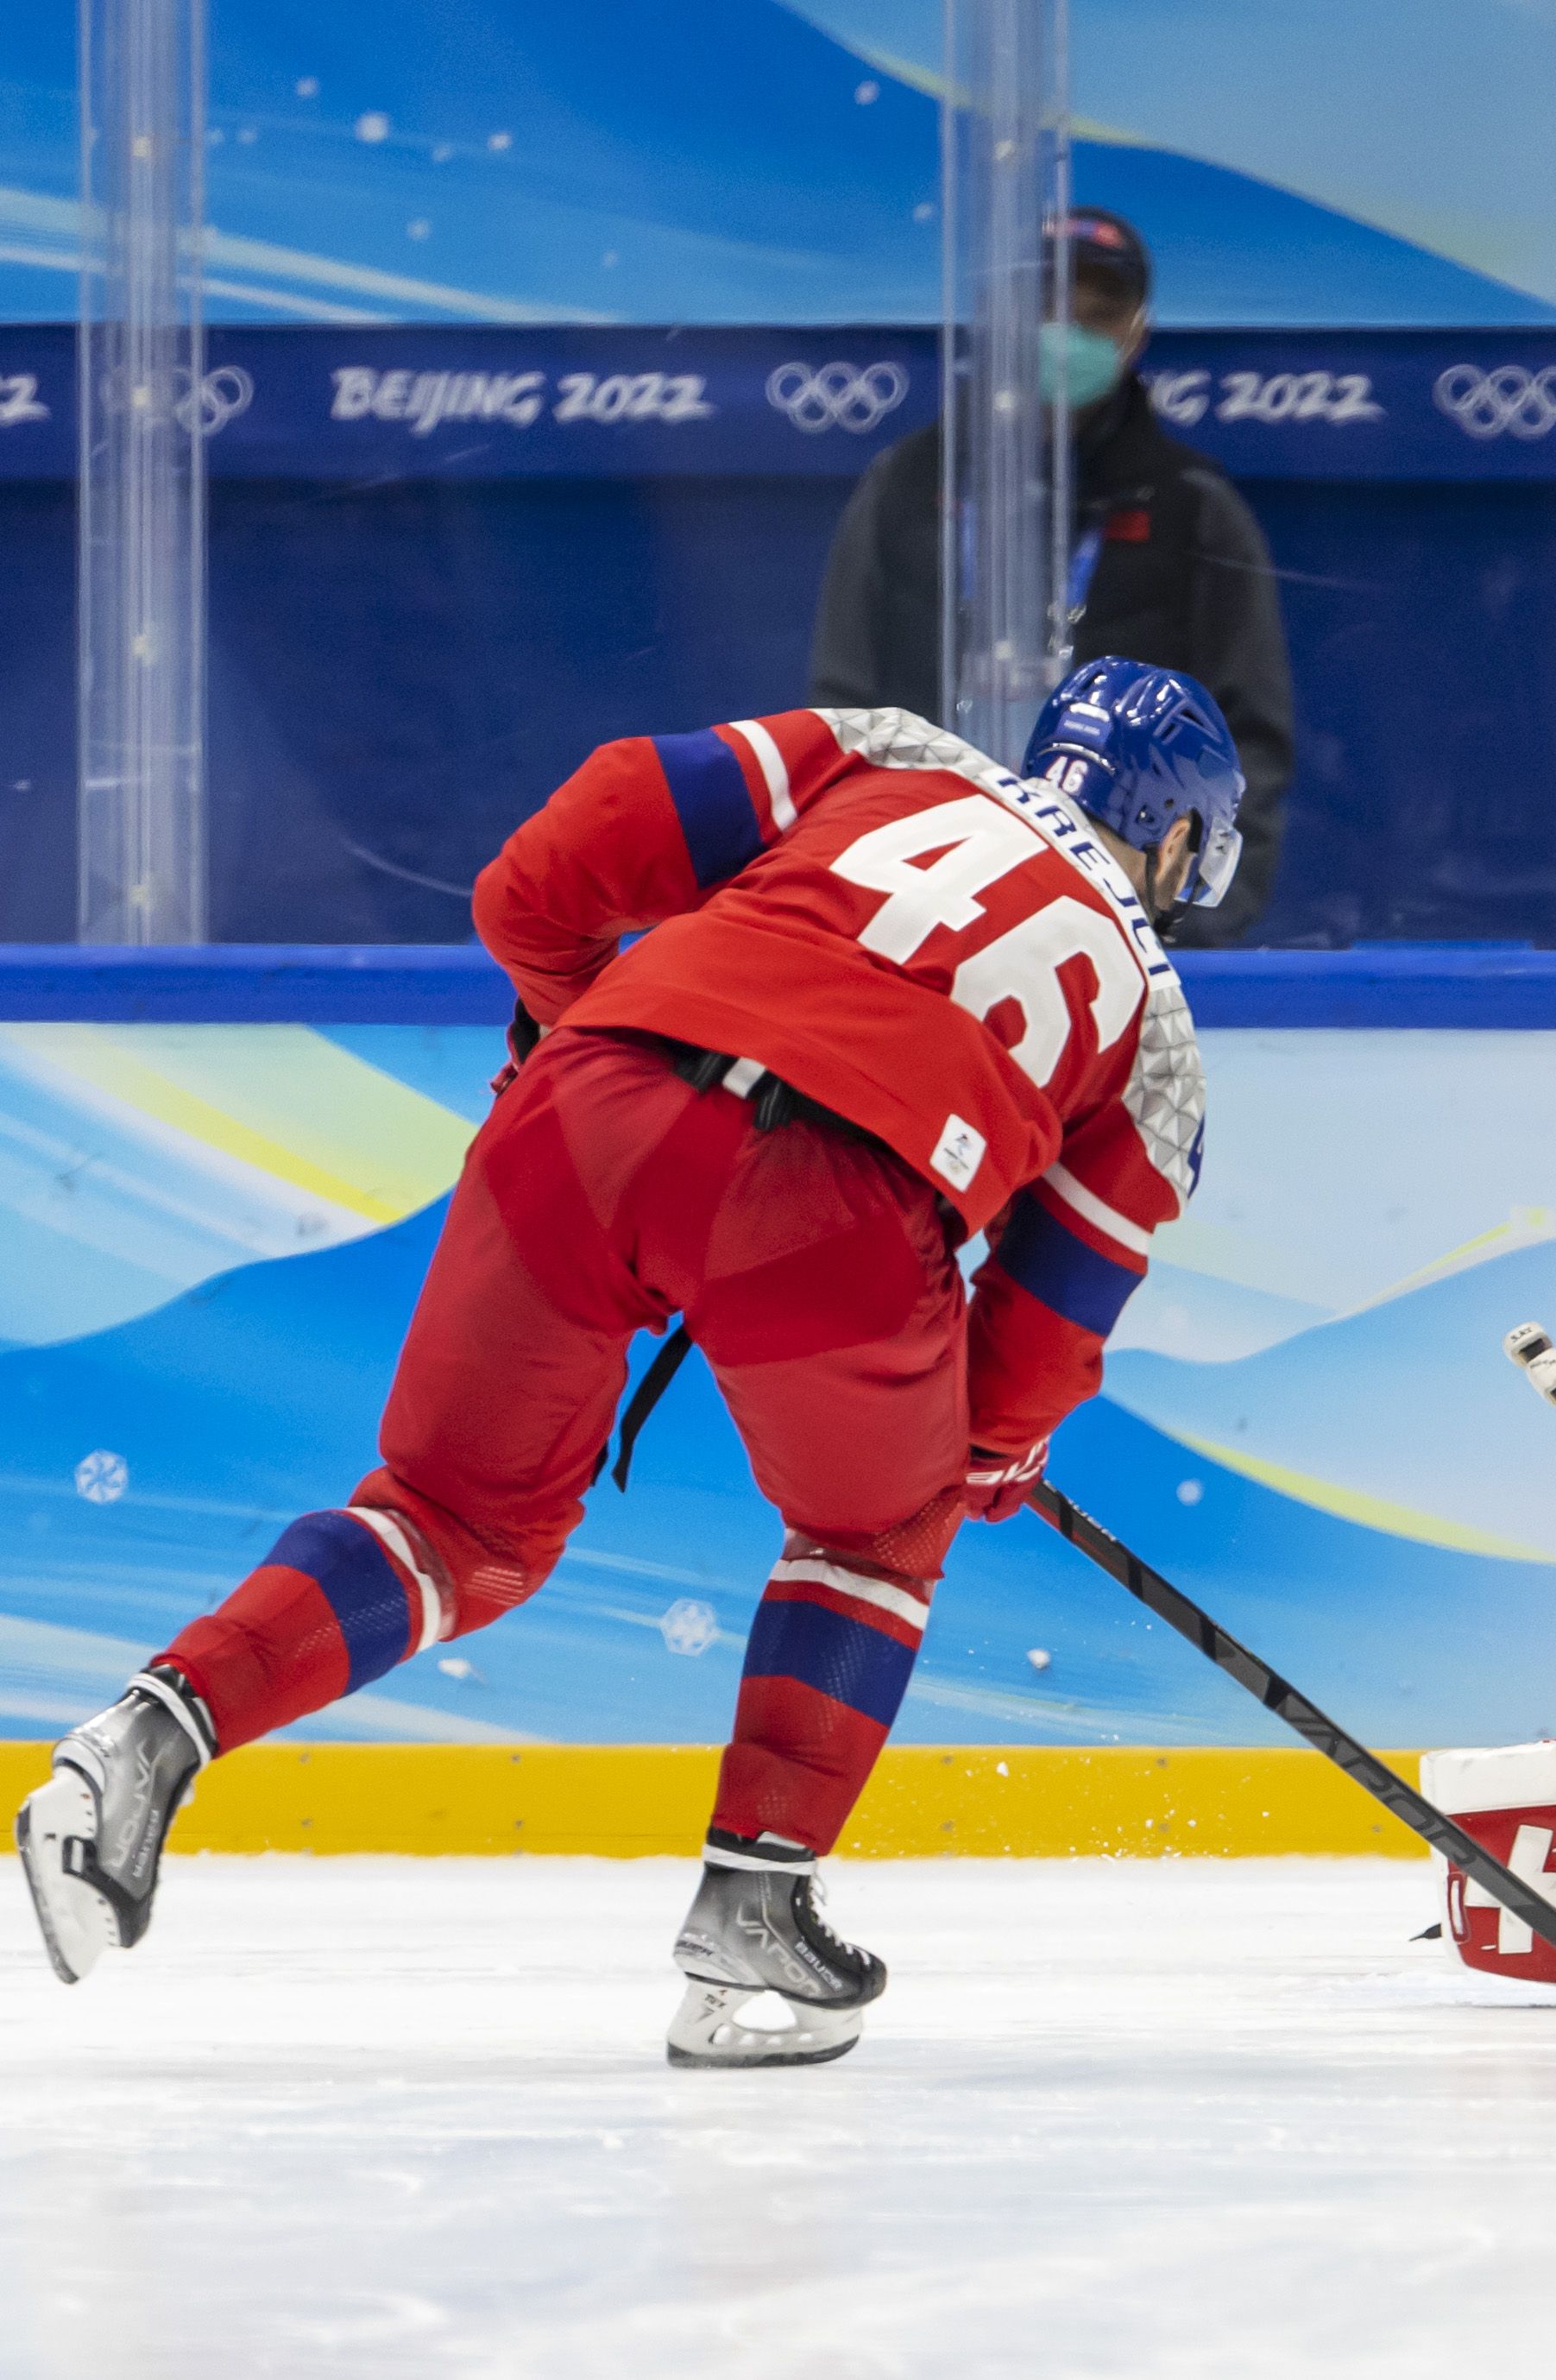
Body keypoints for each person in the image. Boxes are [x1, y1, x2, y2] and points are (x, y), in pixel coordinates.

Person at [16, 659, 1244, 2069]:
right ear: (1173, 832)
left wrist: (568, 1022)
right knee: (871, 1532)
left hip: (586, 1102)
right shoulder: (1157, 1046)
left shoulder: (889, 748)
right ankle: (755, 1919)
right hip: (838, 1206)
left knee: (451, 1517)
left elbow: (550, 864)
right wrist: (988, 1450)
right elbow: (1038, 1337)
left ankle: (146, 1736)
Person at [808, 207, 1298, 945]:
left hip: (1126, 918)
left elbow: (1249, 740)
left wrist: (1190, 926)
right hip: (918, 907)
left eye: (1099, 313)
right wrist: (854, 895)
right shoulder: (906, 485)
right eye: (1043, 309)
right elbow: (840, 712)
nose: (1066, 334)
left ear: (1137, 331)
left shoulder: (1192, 505)